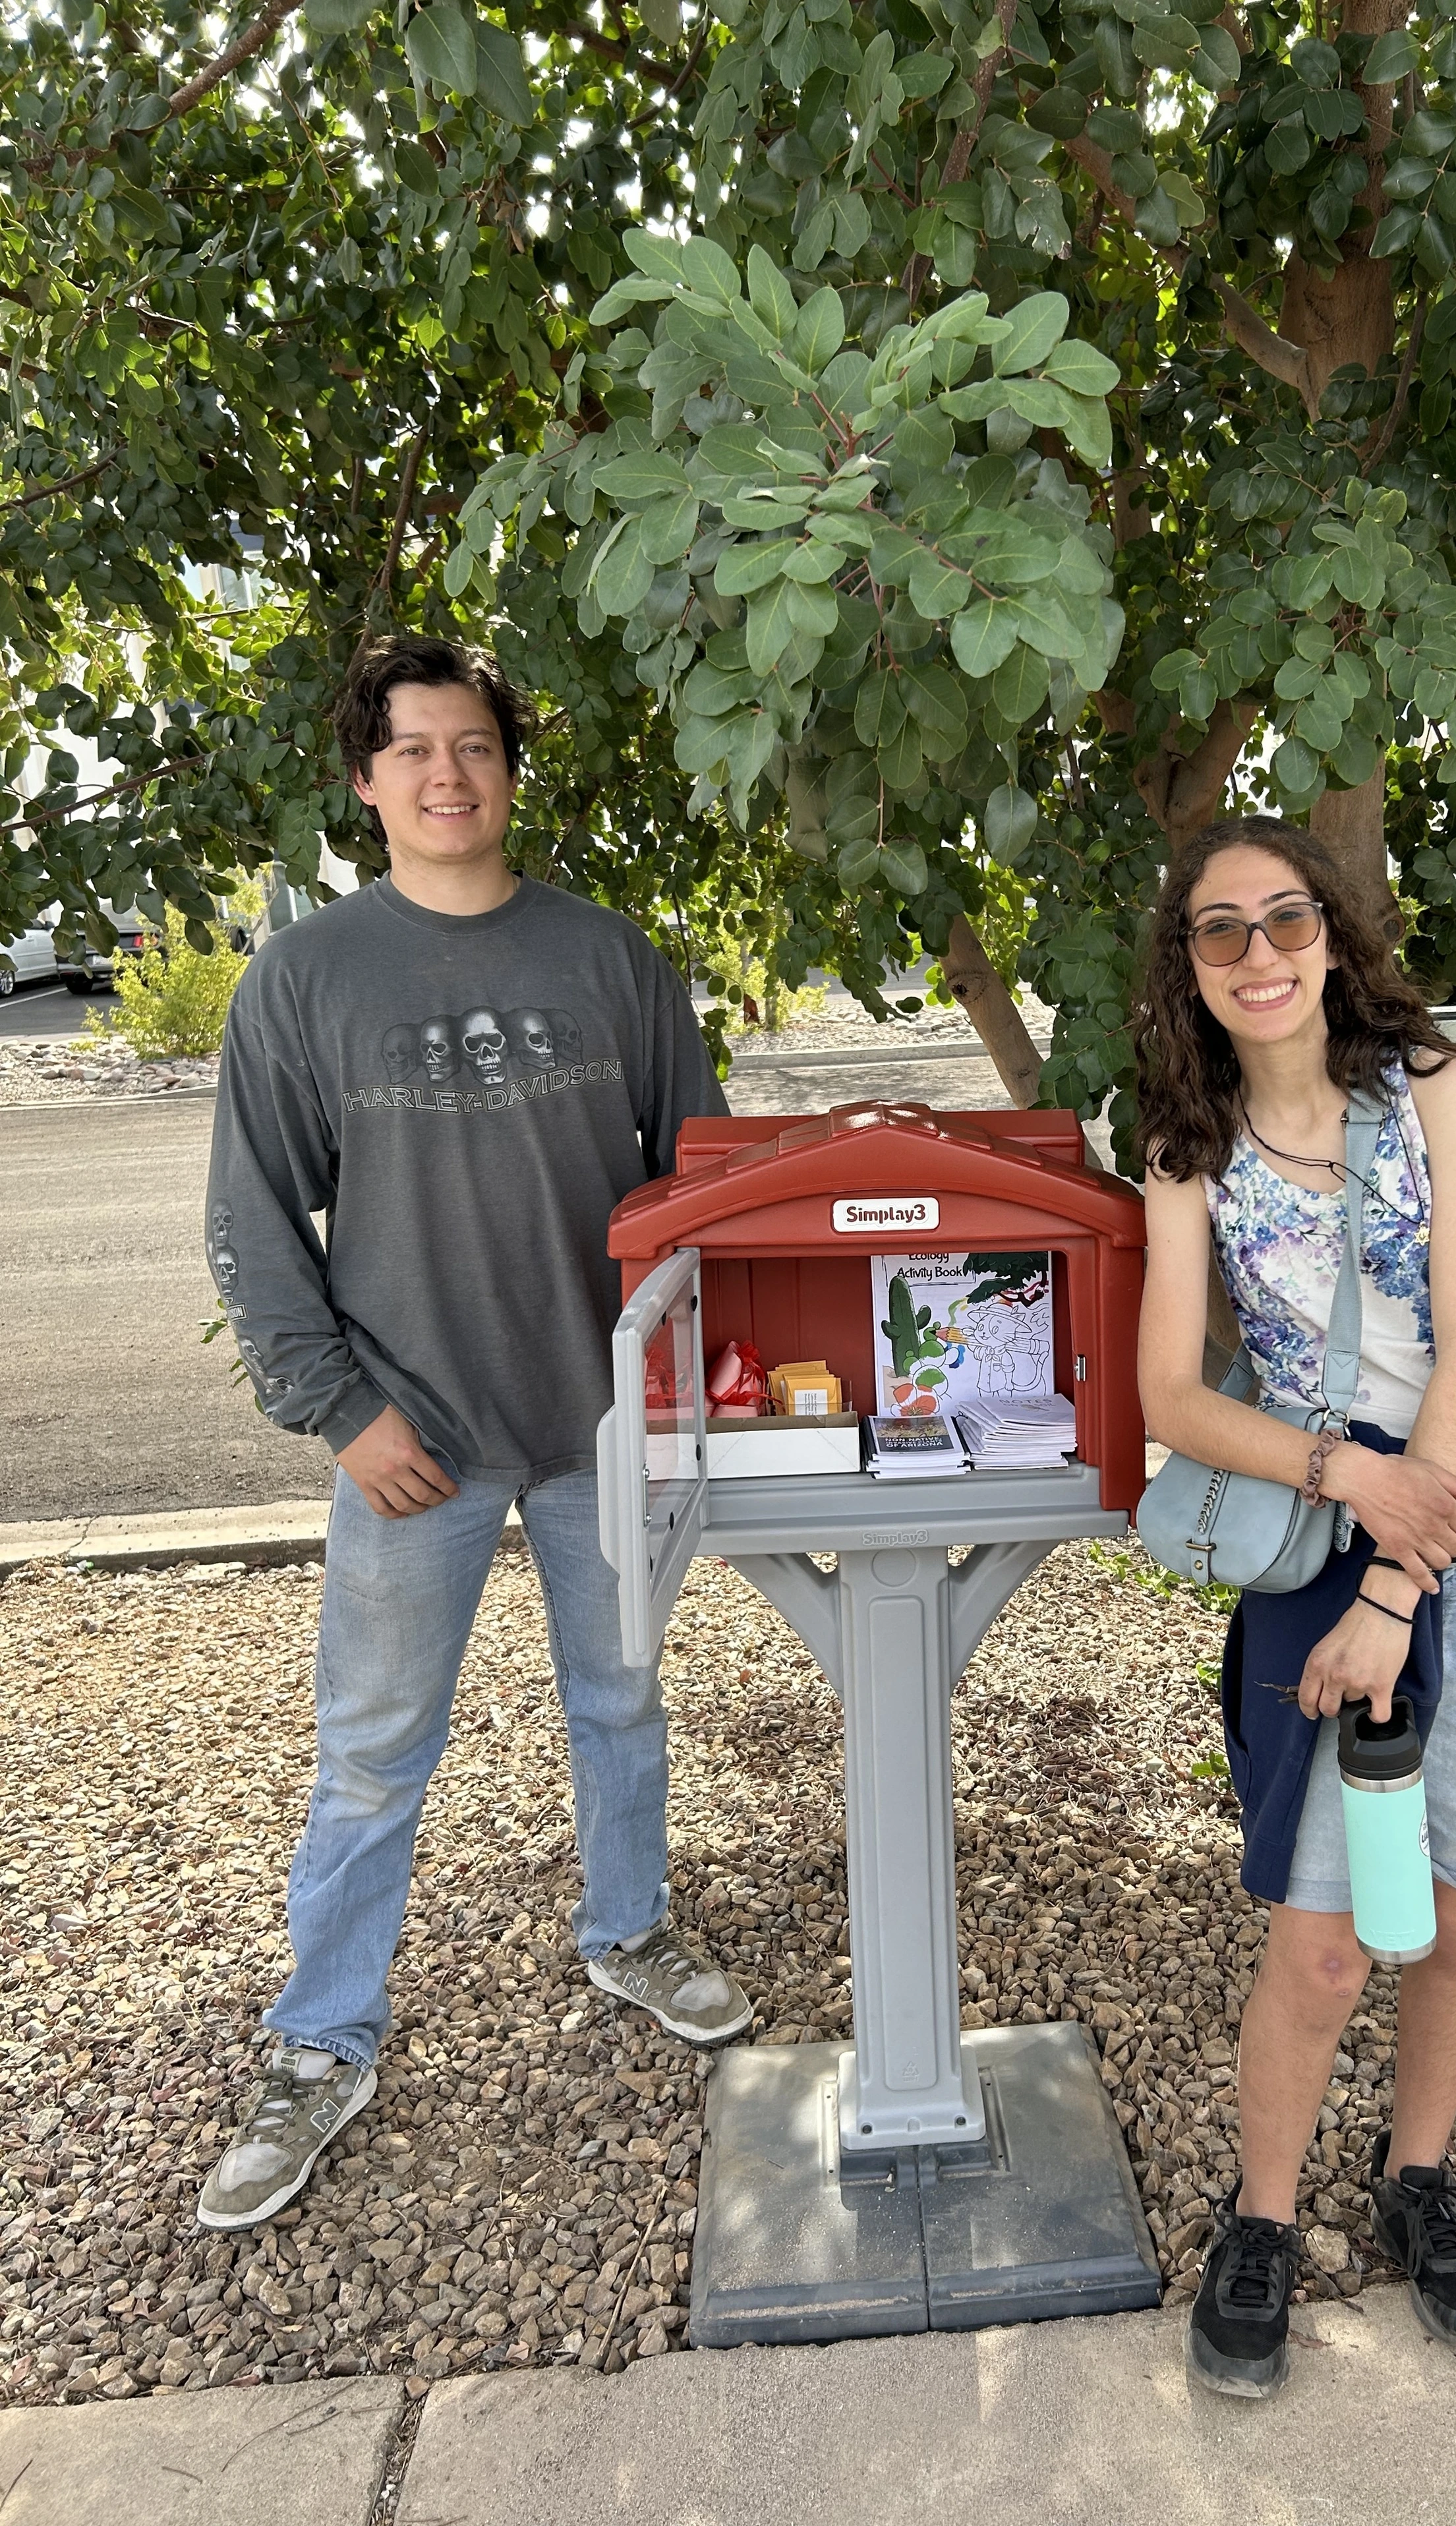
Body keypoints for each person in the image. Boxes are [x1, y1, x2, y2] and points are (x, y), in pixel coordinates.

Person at [195, 634, 750, 2233]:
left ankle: (629, 1927)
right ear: (367, 781)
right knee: (372, 1758)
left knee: (623, 1702)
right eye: (415, 750)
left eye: (476, 747)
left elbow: (698, 1180)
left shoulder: (608, 959)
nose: (450, 775)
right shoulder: (305, 982)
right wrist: (340, 1411)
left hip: (598, 1426)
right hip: (411, 1439)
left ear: (511, 768)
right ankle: (320, 2041)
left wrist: (678, 1383)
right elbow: (250, 1224)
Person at [1136, 815, 1456, 2400]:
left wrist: (1396, 1574)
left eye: (1286, 918)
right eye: (1221, 931)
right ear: (1190, 967)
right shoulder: (1183, 1145)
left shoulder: (1435, 1086)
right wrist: (1342, 1483)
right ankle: (1265, 2215)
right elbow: (1168, 1389)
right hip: (1327, 1536)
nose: (1261, 952)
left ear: (1334, 935)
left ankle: (1420, 2175)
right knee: (1321, 1939)